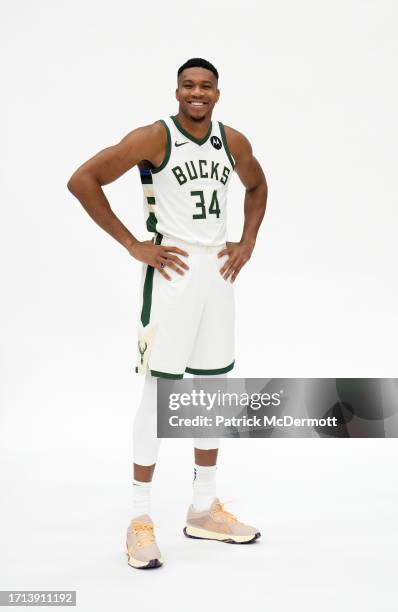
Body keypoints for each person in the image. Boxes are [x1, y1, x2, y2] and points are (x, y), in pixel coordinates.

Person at [67, 57, 268, 569]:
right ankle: (138, 519)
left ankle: (203, 509)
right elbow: (83, 179)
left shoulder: (232, 140)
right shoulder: (155, 137)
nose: (196, 93)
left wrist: (247, 242)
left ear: (218, 94)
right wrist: (133, 243)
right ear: (177, 91)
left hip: (217, 274)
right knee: (160, 395)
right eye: (188, 85)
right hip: (172, 269)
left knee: (211, 392)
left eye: (206, 86)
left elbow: (257, 186)